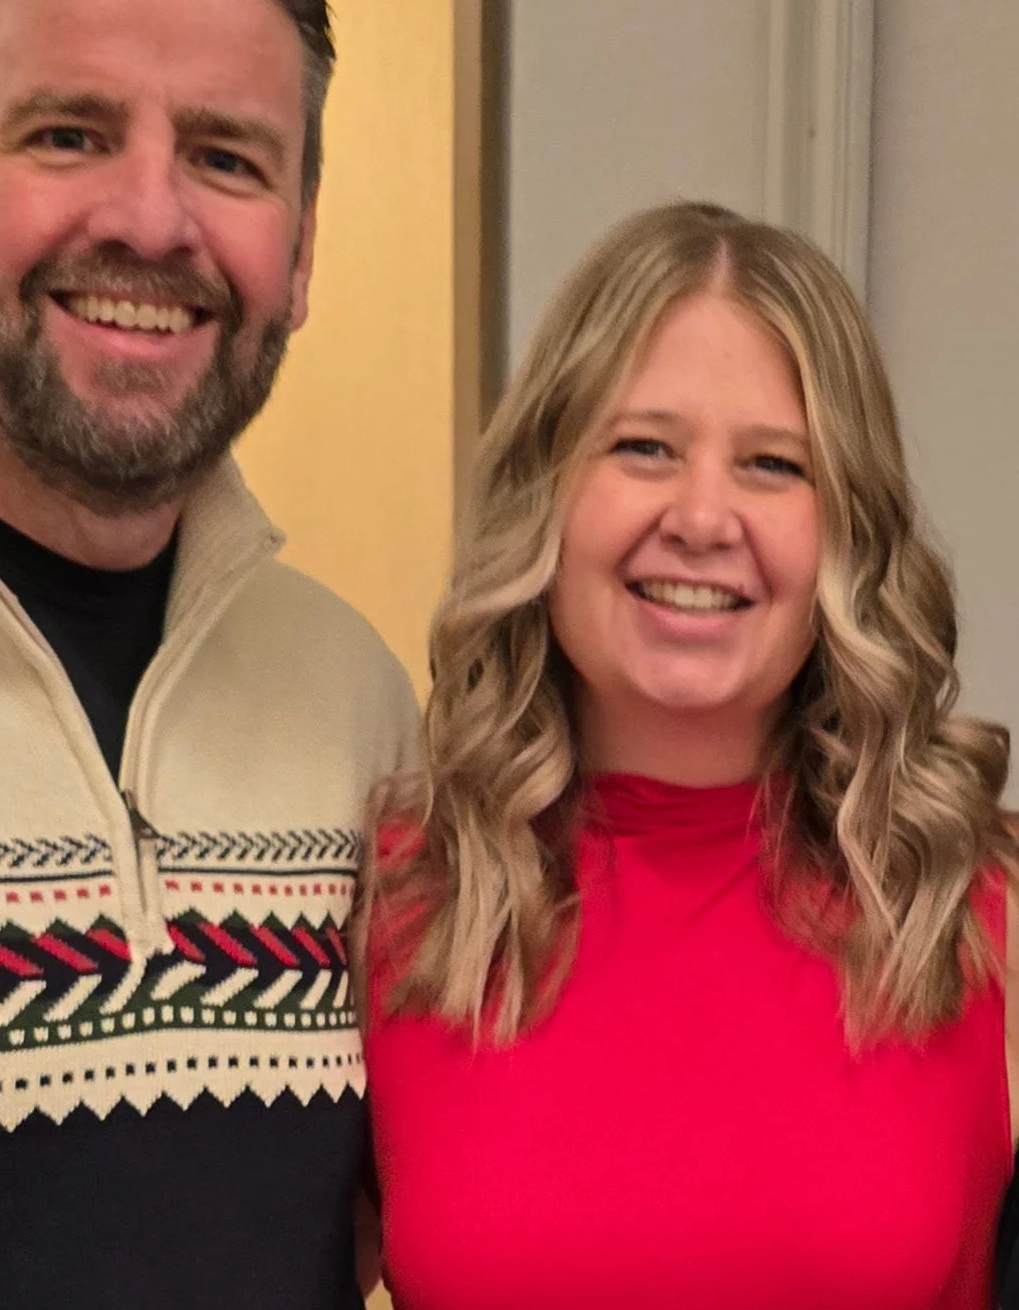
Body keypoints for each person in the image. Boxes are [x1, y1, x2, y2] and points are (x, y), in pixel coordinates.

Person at [0, 0, 416, 1310]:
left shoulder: (355, 707)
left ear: (299, 250)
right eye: (70, 133)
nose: (151, 220)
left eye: (226, 158)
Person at [359, 201, 1016, 1310]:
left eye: (772, 465)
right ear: (545, 493)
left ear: (845, 530)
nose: (703, 517)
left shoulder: (978, 910)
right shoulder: (397, 899)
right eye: (644, 448)